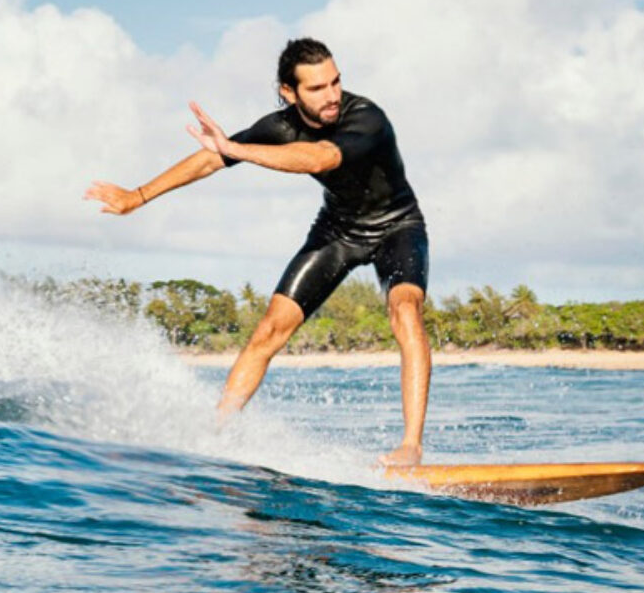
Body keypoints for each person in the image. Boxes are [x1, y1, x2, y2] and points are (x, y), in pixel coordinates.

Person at [85, 38, 431, 466]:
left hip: (397, 226)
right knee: (270, 329)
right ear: (289, 92)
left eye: (336, 82)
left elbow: (319, 158)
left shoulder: (366, 117)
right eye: (317, 88)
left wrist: (236, 149)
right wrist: (138, 195)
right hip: (339, 231)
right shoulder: (280, 125)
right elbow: (212, 159)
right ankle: (214, 434)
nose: (332, 95)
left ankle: (410, 447)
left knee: (405, 310)